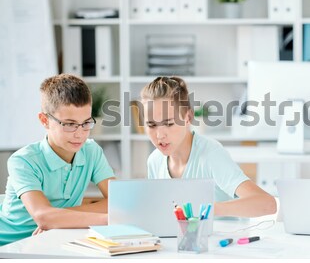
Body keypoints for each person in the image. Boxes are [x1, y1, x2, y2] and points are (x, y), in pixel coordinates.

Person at [0, 74, 115, 246]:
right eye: (69, 124)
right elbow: (42, 216)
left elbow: (118, 201)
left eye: (86, 123)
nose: (79, 133)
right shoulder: (23, 161)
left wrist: (57, 218)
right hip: (11, 246)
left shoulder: (91, 151)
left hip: (55, 239)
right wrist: (108, 220)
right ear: (45, 120)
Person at [140, 76, 276, 218]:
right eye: (151, 125)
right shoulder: (154, 161)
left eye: (169, 124)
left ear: (188, 118)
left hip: (225, 237)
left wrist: (208, 210)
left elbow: (268, 204)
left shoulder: (211, 155)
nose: (160, 135)